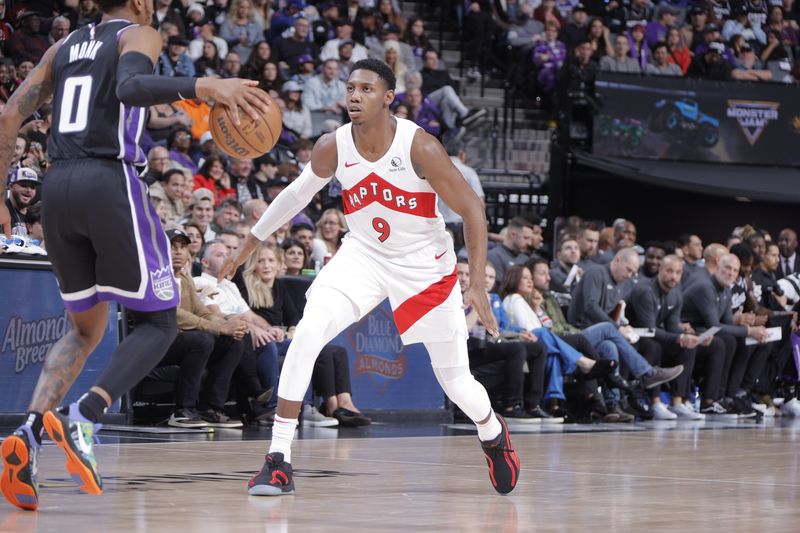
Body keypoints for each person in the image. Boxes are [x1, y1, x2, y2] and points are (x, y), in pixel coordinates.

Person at [0, 0, 270, 512]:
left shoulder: (62, 47)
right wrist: (204, 86)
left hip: (57, 188)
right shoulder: (138, 34)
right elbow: (130, 88)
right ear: (142, 3)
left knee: (84, 329)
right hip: (109, 183)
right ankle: (86, 416)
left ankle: (29, 434)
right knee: (160, 322)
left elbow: (9, 114)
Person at [221, 58, 520, 497]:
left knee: (455, 382)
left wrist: (475, 282)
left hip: (423, 266)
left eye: (365, 89)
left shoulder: (420, 146)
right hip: (362, 255)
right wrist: (249, 242)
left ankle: (492, 432)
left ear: (387, 97)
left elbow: (473, 209)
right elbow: (294, 196)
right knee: (307, 334)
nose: (354, 96)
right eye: (350, 88)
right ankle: (278, 459)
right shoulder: (333, 145)